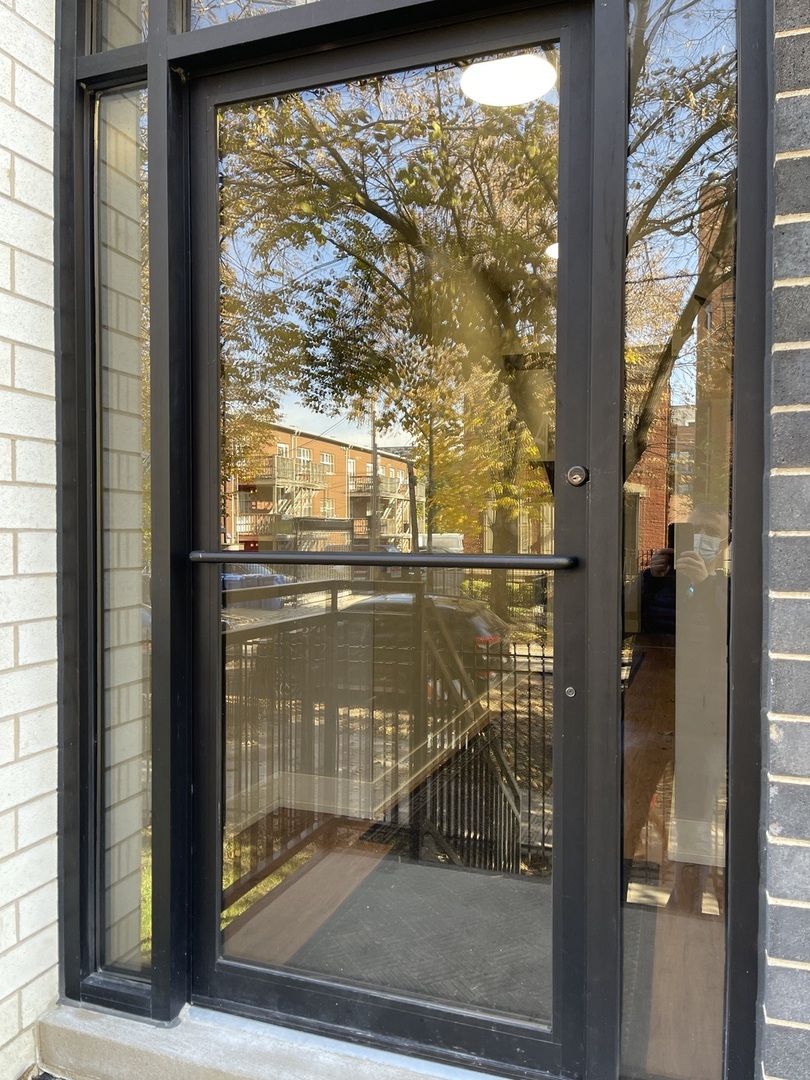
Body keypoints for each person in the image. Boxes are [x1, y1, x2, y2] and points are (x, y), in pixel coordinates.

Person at [622, 505, 730, 912]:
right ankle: (611, 895)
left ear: (725, 543)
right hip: (646, 711)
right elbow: (618, 621)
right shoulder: (655, 583)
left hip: (704, 718)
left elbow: (733, 638)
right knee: (629, 808)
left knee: (695, 818)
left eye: (711, 532)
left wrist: (702, 585)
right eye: (691, 529)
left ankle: (685, 906)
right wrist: (650, 579)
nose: (700, 537)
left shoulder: (727, 589)